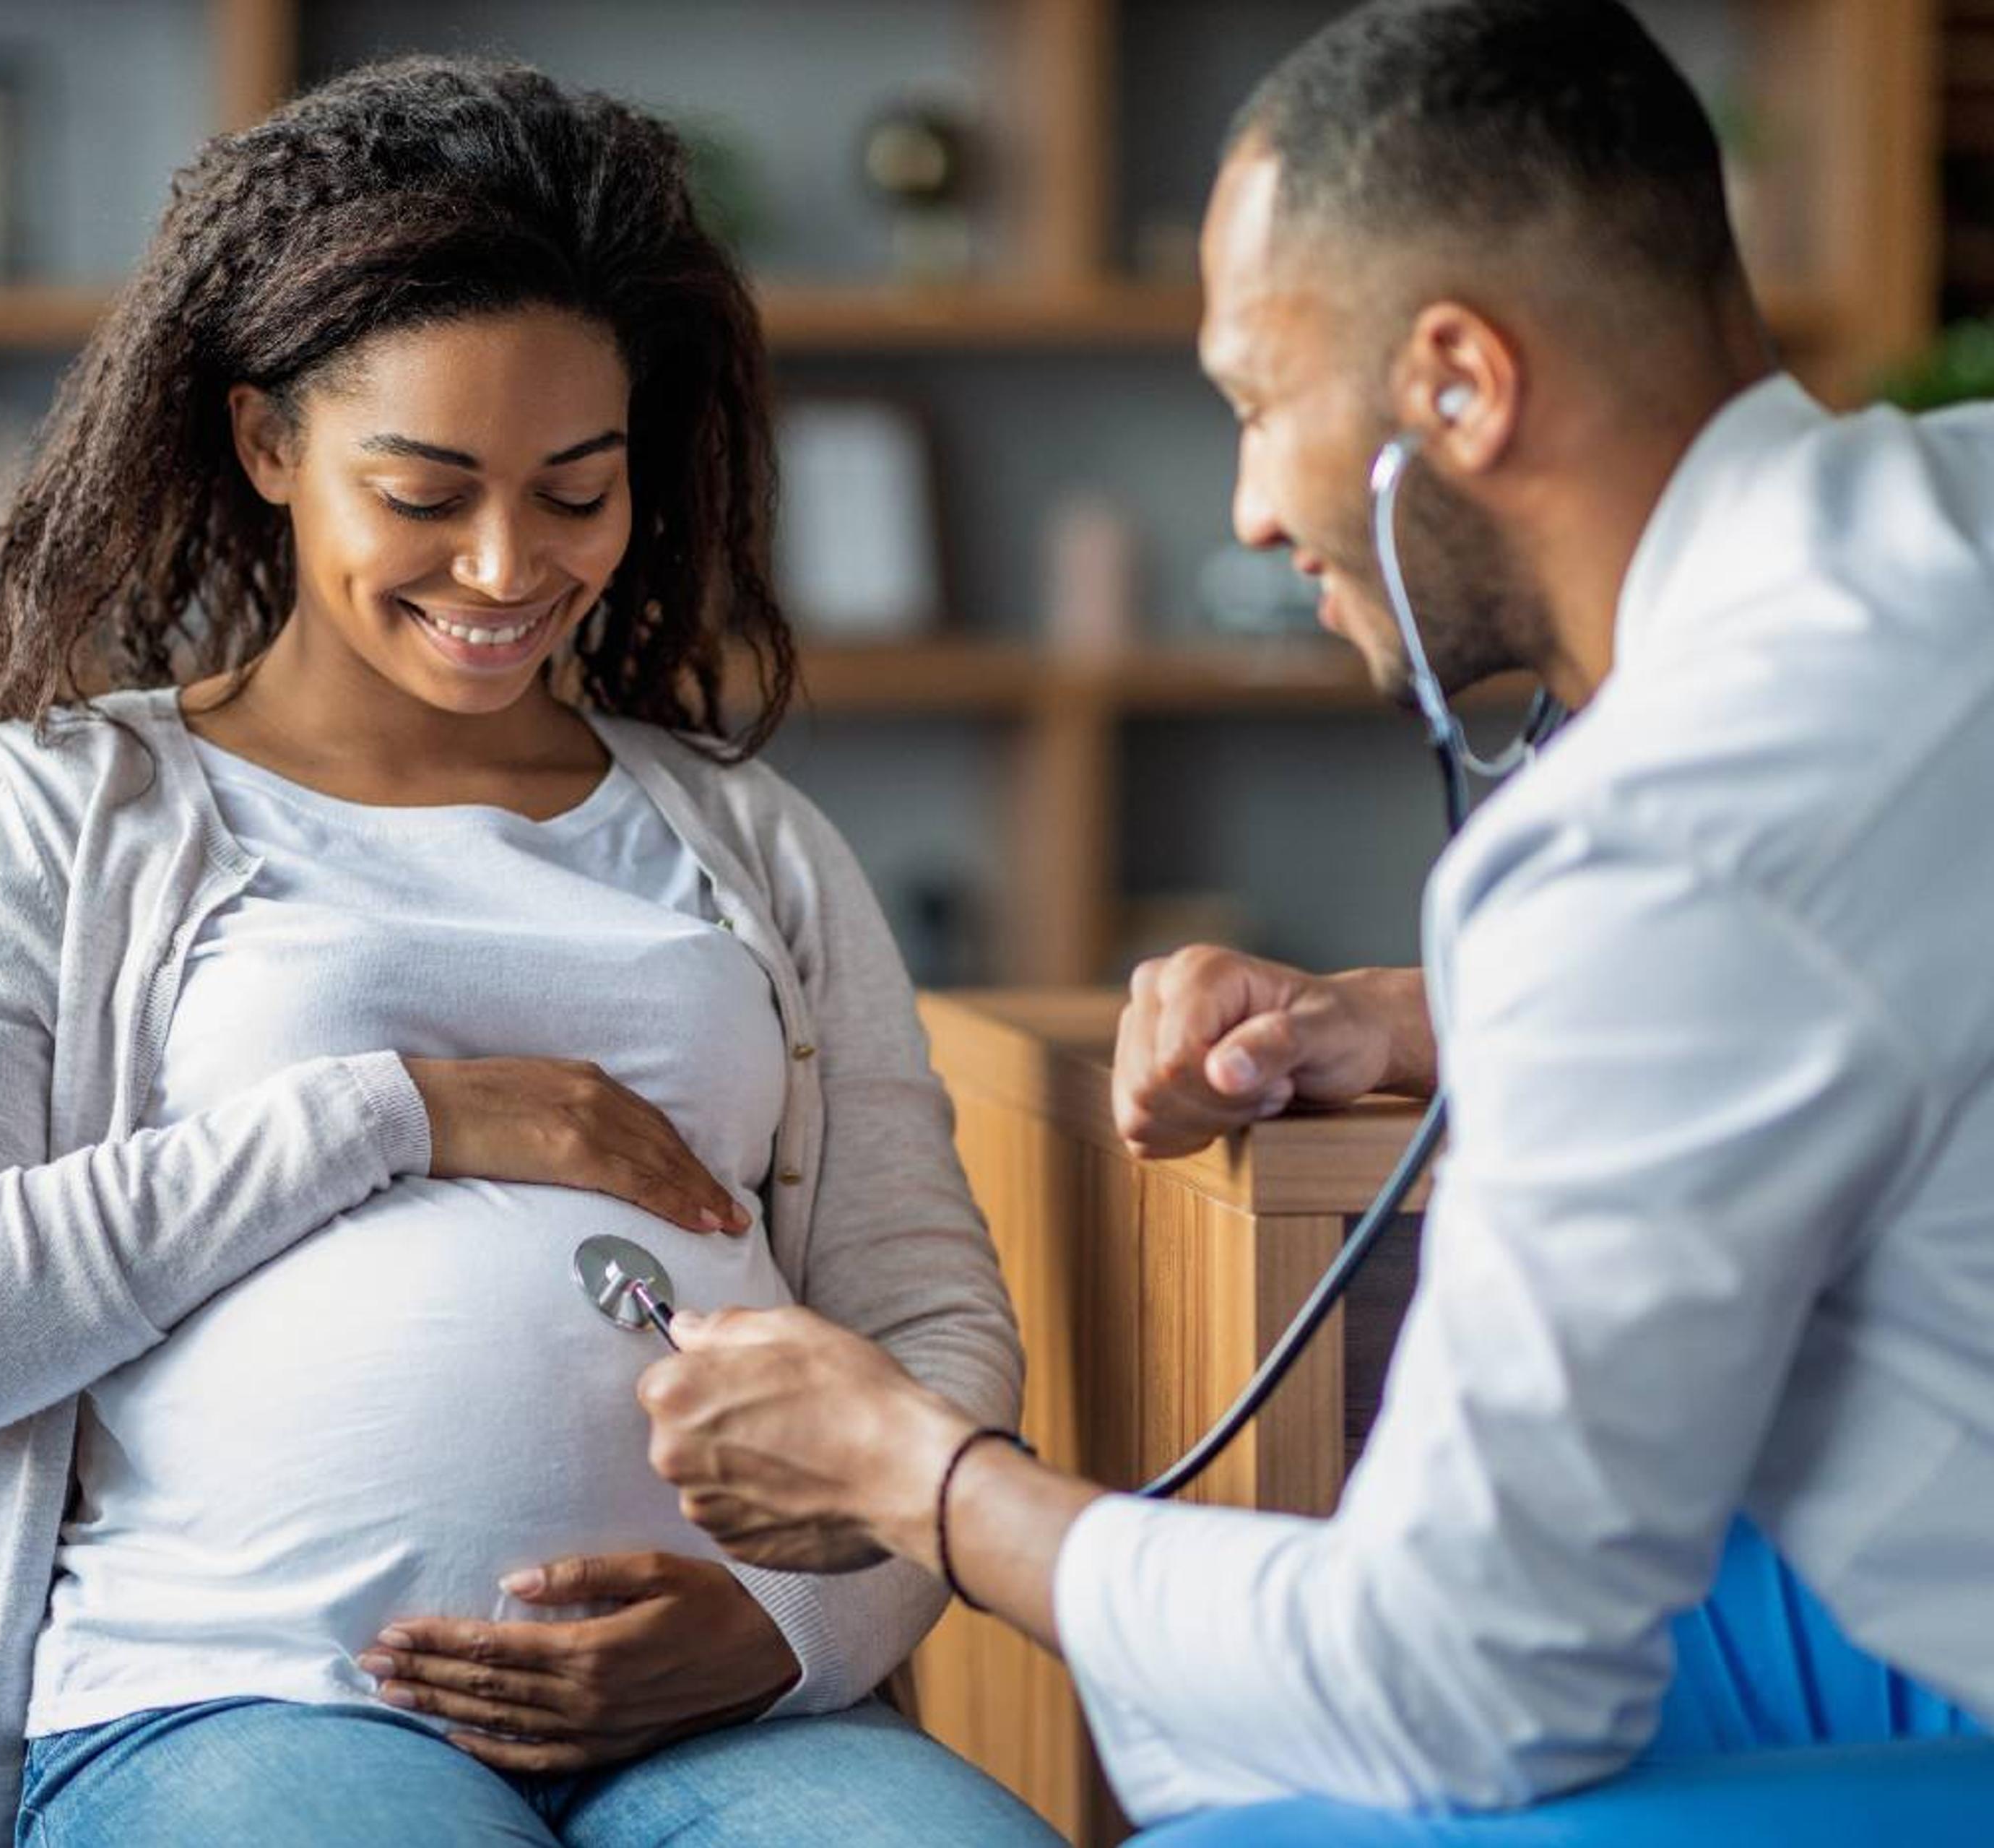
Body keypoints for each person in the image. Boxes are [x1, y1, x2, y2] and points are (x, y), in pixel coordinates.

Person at [633, 1, 1994, 1837]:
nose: (1255, 508)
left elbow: (1458, 1686)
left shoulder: (1661, 840)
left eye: (1259, 406)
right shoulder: (1948, 507)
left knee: (1232, 1794)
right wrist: (1426, 1013)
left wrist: (919, 1478)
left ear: (1456, 383)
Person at [0, 56, 1060, 1848]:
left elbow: (923, 1316)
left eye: (575, 490)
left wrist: (791, 1629)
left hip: (733, 1724)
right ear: (268, 445)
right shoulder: (60, 807)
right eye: (427, 488)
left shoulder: (750, 836)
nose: (505, 563)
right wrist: (399, 1111)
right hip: (234, 1699)